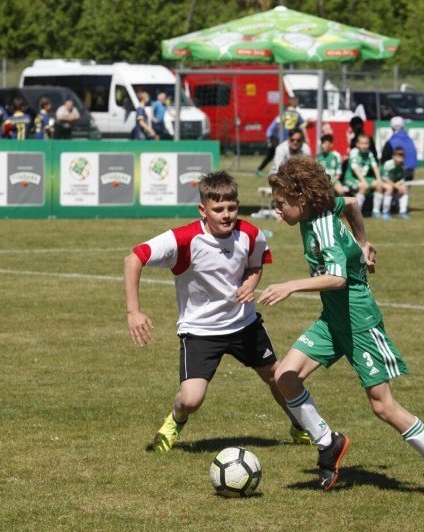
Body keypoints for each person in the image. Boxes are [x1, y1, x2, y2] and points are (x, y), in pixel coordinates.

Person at [258, 156, 424, 494]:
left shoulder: (323, 228)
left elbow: (338, 279)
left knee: (382, 405)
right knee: (285, 377)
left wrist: (290, 285)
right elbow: (354, 204)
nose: (277, 210)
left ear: (301, 198)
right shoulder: (317, 211)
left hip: (358, 320)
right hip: (333, 318)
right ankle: (328, 442)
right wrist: (363, 241)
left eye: (281, 203)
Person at [124, 170, 313, 452]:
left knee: (279, 378)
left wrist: (250, 283)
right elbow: (133, 258)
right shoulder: (184, 239)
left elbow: (255, 263)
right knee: (191, 399)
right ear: (203, 209)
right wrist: (133, 312)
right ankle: (176, 420)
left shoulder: (250, 233)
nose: (226, 215)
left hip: (244, 324)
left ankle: (300, 426)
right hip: (200, 331)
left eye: (232, 208)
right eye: (218, 209)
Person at [343, 133, 383, 216]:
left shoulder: (369, 153)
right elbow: (355, 169)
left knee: (379, 185)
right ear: (357, 144)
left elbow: (374, 166)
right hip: (350, 178)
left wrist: (379, 179)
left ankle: (376, 211)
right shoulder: (354, 152)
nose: (364, 146)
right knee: (363, 186)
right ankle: (356, 213)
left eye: (366, 143)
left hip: (364, 178)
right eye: (362, 143)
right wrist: (363, 181)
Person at [380, 116, 417, 182]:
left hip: (397, 174)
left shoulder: (390, 142)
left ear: (391, 127)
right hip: (410, 174)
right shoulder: (410, 141)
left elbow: (384, 161)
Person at [381, 147, 409, 219]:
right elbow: (384, 178)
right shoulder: (388, 164)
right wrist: (395, 186)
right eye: (399, 155)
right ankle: (385, 212)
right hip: (383, 182)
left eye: (402, 155)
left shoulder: (403, 166)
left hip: (395, 183)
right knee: (389, 188)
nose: (401, 157)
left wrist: (399, 185)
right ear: (393, 156)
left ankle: (403, 212)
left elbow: (402, 178)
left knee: (404, 188)